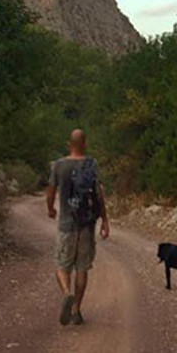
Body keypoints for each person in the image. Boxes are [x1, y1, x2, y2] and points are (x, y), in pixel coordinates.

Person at [46, 129, 110, 326]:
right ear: (85, 144)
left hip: (66, 223)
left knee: (61, 265)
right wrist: (105, 220)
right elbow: (98, 194)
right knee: (82, 268)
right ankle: (77, 311)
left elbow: (50, 192)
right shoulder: (91, 164)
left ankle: (67, 293)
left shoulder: (58, 165)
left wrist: (50, 209)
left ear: (68, 144)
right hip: (86, 224)